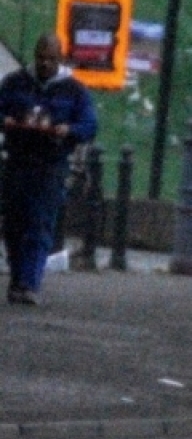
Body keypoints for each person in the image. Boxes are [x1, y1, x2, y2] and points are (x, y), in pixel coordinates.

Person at [0, 33, 97, 305]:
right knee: (13, 224)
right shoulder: (14, 83)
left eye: (50, 59)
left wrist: (69, 130)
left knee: (39, 223)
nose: (44, 64)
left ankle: (28, 283)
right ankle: (19, 277)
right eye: (41, 58)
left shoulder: (75, 90)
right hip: (17, 161)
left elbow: (90, 125)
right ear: (34, 56)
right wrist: (6, 120)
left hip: (50, 165)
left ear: (60, 59)